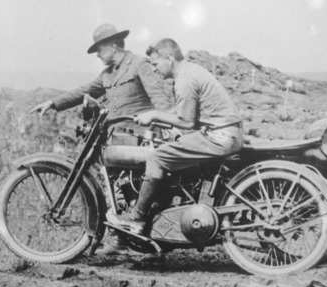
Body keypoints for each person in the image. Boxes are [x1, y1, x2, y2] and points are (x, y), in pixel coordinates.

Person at [106, 38, 243, 236]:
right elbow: (190, 118)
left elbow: (187, 122)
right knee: (172, 146)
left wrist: (154, 115)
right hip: (225, 133)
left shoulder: (184, 80)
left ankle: (136, 218)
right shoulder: (191, 71)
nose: (154, 69)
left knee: (156, 157)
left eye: (155, 64)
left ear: (169, 58)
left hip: (218, 136)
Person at [31, 23, 171, 145]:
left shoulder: (139, 64)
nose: (97, 55)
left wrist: (168, 130)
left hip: (141, 139)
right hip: (116, 139)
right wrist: (53, 102)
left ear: (113, 45)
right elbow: (83, 91)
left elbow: (160, 100)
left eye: (99, 49)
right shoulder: (107, 74)